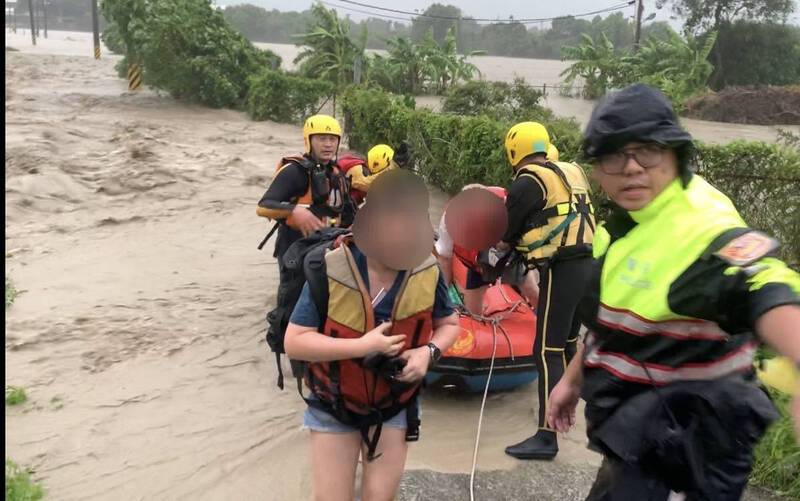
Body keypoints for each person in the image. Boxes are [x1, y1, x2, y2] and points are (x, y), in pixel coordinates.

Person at [547, 84, 800, 500]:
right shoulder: (622, 226)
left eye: (647, 150)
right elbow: (610, 323)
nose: (631, 168)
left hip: (703, 434)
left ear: (676, 155)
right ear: (596, 169)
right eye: (613, 154)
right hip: (635, 429)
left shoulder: (701, 229)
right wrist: (571, 382)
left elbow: (764, 282)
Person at [284, 171, 461, 501]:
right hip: (334, 403)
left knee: (380, 497)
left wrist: (428, 353)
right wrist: (362, 345)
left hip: (394, 403)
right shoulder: (331, 269)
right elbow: (294, 340)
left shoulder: (426, 271)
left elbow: (449, 324)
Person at [501, 122, 596, 460]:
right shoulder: (570, 172)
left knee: (546, 350)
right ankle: (593, 408)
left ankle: (547, 435)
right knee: (571, 343)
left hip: (562, 267)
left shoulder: (527, 181)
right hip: (588, 265)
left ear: (514, 151)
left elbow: (505, 232)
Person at [258, 114, 354, 386]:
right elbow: (263, 205)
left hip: (327, 250)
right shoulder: (295, 172)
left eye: (332, 139)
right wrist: (294, 211)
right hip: (294, 251)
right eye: (321, 138)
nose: (327, 144)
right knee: (293, 303)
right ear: (308, 140)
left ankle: (322, 358)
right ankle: (293, 361)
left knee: (327, 304)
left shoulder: (337, 174)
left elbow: (348, 212)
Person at [435, 184, 539, 314]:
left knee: (529, 287)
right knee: (473, 311)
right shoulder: (449, 222)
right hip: (478, 262)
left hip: (509, 252)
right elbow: (445, 259)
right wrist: (443, 296)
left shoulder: (509, 206)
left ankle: (546, 319)